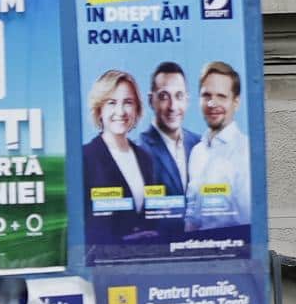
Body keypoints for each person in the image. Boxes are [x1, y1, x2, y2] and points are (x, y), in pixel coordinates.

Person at [81, 69, 163, 247]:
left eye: (128, 102)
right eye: (111, 103)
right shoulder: (85, 158)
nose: (120, 111)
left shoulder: (145, 158)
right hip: (103, 266)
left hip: (143, 263)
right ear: (99, 109)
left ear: (136, 108)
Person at [186, 61, 253, 231]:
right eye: (206, 95)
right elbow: (192, 216)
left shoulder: (245, 150)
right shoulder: (197, 152)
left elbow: (248, 219)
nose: (212, 103)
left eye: (221, 96)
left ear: (236, 102)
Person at [134, 61, 199, 198]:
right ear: (151, 101)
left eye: (179, 96)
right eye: (164, 96)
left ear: (187, 100)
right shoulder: (138, 150)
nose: (173, 106)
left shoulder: (199, 144)